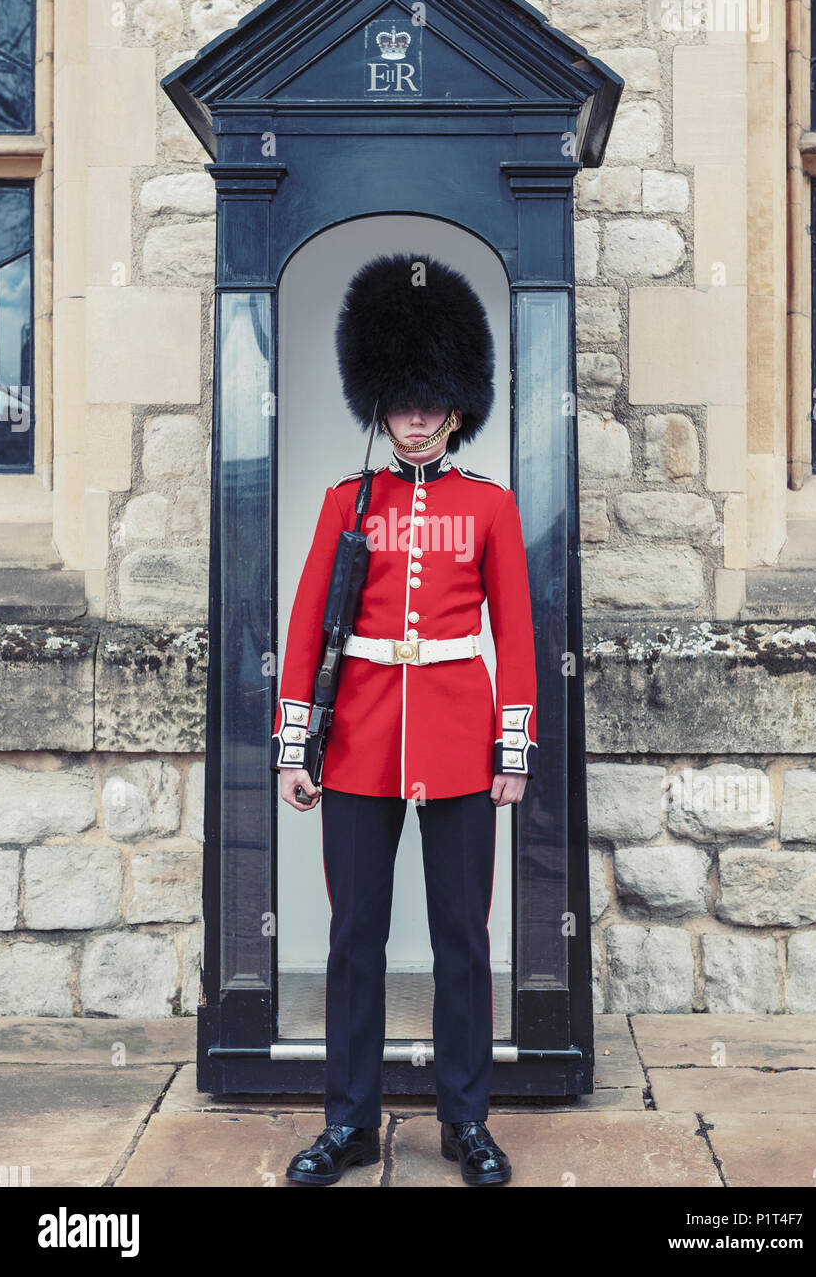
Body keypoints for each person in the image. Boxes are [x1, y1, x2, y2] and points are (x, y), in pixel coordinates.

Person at [275, 251, 538, 1186]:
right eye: (402, 399)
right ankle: (348, 1121)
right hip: (355, 742)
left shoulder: (489, 509)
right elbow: (308, 627)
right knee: (355, 940)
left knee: (463, 938)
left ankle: (466, 1120)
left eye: (431, 399)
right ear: (379, 403)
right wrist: (292, 744)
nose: (417, 415)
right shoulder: (344, 503)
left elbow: (514, 632)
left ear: (457, 406)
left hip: (463, 741)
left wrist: (513, 745)